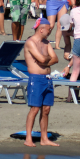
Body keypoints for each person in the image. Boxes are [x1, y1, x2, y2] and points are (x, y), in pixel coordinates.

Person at [24, 18, 59, 147]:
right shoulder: (30, 42)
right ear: (41, 29)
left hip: (48, 79)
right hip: (36, 79)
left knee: (46, 109)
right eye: (49, 29)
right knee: (35, 108)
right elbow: (40, 59)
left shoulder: (46, 43)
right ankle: (28, 138)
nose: (50, 31)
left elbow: (55, 59)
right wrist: (44, 59)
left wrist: (45, 60)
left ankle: (44, 138)